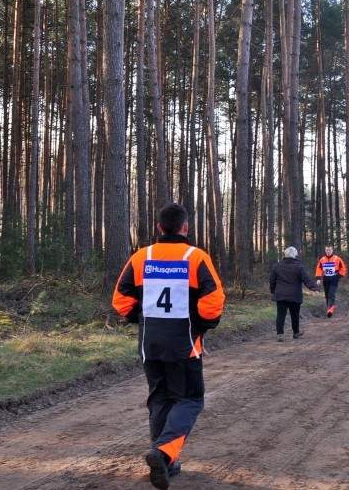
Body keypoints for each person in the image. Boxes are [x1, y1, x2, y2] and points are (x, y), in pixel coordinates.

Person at [112, 202, 225, 490]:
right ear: (186, 228)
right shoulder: (195, 257)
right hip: (183, 344)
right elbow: (213, 301)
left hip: (150, 344)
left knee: (160, 398)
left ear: (159, 228)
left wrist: (140, 319)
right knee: (189, 400)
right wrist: (201, 325)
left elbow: (120, 299)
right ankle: (163, 452)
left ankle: (166, 463)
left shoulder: (141, 257)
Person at [270, 246, 320, 341]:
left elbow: (271, 280)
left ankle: (280, 334)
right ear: (294, 255)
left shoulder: (277, 266)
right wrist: (314, 288)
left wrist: (273, 291)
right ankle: (296, 332)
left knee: (280, 314)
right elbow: (306, 279)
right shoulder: (298, 266)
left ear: (285, 254)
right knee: (295, 314)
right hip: (295, 294)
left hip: (281, 294)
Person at [315, 244, 347, 317]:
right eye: (327, 250)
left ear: (332, 250)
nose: (328, 251)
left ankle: (330, 310)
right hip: (326, 279)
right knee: (327, 295)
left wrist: (337, 276)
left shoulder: (337, 259)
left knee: (331, 294)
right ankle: (328, 309)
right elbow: (319, 269)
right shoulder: (322, 260)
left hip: (334, 279)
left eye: (329, 250)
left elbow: (343, 269)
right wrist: (318, 278)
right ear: (325, 251)